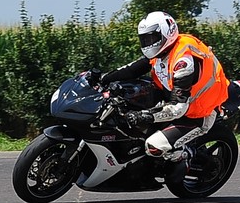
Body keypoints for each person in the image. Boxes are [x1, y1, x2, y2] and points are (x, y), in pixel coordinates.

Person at [91, 11, 230, 182]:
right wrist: (104, 78)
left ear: (166, 33)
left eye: (151, 38)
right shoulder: (163, 51)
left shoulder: (183, 61)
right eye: (144, 39)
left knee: (154, 146)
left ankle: (184, 155)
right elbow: (134, 68)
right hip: (176, 97)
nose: (148, 43)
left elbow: (178, 108)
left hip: (198, 112)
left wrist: (145, 116)